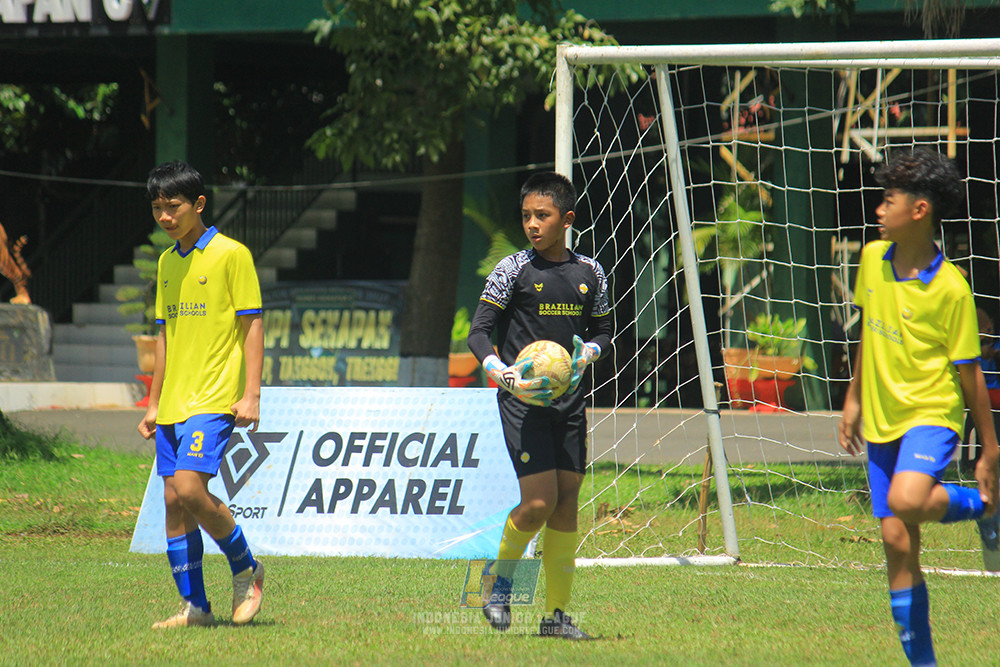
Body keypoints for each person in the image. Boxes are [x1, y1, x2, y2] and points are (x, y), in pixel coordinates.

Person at [837, 148, 1000, 666]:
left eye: (889, 199)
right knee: (896, 542)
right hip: (883, 419)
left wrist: (989, 451)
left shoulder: (951, 290)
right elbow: (867, 330)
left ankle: (988, 507)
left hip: (932, 415)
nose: (879, 210)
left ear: (919, 210)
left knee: (909, 499)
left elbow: (970, 374)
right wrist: (853, 398)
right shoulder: (870, 260)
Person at [467, 171, 613, 640]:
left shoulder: (591, 272)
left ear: (566, 219)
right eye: (527, 215)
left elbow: (604, 332)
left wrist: (589, 352)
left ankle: (555, 616)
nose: (532, 223)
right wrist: (500, 371)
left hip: (569, 402)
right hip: (523, 400)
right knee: (537, 504)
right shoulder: (511, 270)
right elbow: (478, 332)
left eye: (542, 216)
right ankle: (498, 583)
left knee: (566, 504)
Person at [137, 161, 266, 629]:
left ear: (199, 204)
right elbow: (165, 337)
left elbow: (251, 325)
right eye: (157, 208)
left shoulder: (233, 255)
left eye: (173, 207)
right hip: (173, 401)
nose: (165, 217)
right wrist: (153, 402)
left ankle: (246, 568)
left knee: (191, 487)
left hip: (214, 398)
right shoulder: (167, 262)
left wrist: (251, 394)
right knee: (173, 501)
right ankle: (197, 608)